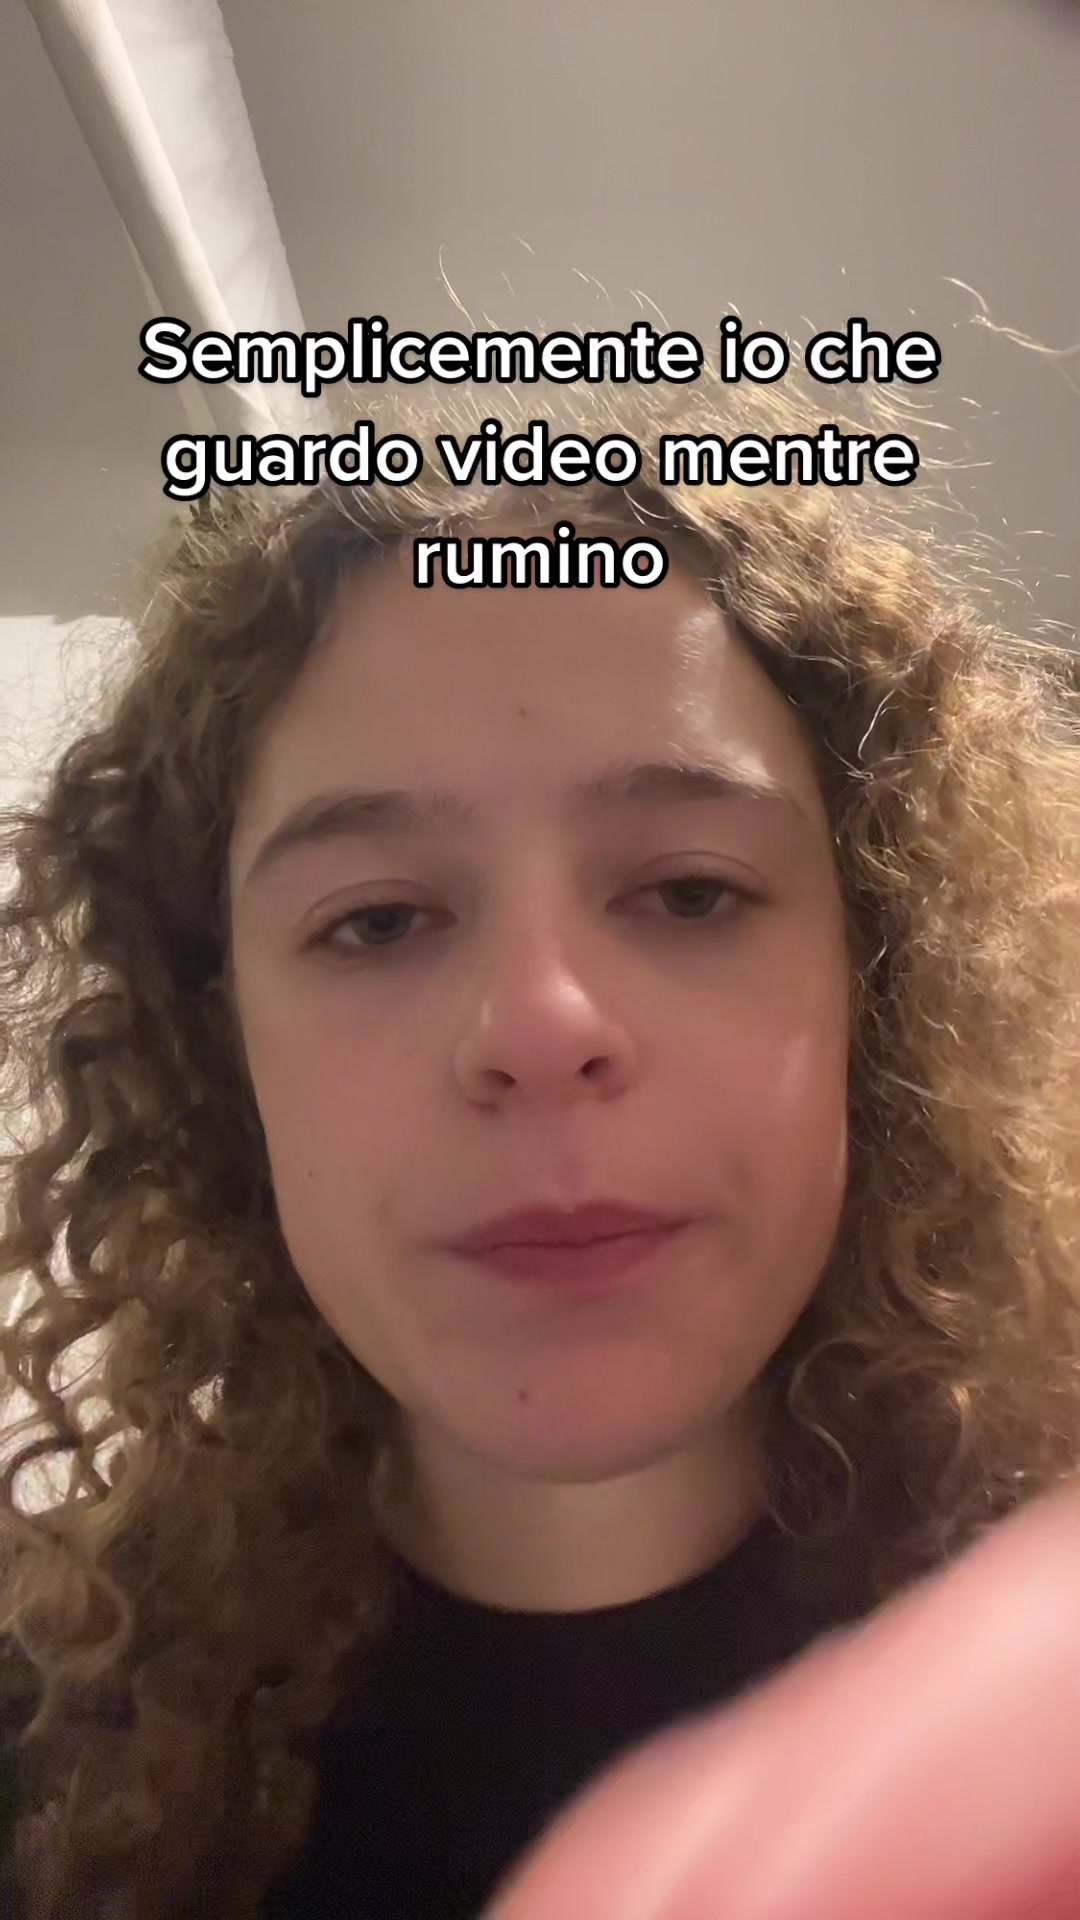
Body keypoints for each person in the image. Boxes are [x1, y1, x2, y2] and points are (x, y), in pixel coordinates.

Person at [1, 363, 1079, 1920]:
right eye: (378, 920)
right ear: (218, 1046)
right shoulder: (43, 1754)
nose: (537, 1023)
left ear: (881, 981)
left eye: (691, 891)